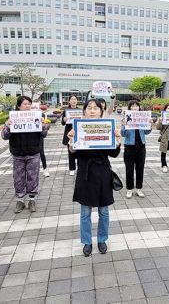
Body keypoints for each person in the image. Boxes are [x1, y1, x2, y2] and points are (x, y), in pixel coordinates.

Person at [67, 99, 122, 256]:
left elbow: (114, 154)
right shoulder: (78, 128)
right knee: (85, 212)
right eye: (89, 108)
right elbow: (73, 153)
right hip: (85, 174)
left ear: (101, 111)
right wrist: (71, 142)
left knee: (104, 211)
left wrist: (118, 140)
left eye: (95, 108)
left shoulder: (106, 127)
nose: (92, 111)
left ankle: (102, 239)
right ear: (84, 111)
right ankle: (87, 242)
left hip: (103, 173)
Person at [2, 96, 49, 213]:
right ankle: (20, 200)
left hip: (33, 153)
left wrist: (43, 126)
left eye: (29, 104)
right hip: (18, 154)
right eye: (25, 104)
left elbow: (43, 134)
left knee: (33, 177)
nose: (27, 106)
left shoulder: (37, 117)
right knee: (18, 178)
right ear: (19, 106)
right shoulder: (12, 118)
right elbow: (4, 136)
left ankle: (32, 200)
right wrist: (8, 125)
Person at [121, 100, 151, 199]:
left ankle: (139, 188)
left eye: (136, 106)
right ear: (129, 108)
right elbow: (123, 134)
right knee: (129, 169)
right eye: (132, 106)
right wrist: (124, 125)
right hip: (129, 147)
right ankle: (129, 189)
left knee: (140, 168)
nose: (135, 108)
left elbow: (146, 132)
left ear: (139, 107)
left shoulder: (142, 117)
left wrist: (149, 124)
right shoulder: (126, 118)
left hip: (141, 146)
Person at [61, 95, 79, 176]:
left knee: (79, 150)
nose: (74, 100)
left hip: (78, 132)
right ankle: (72, 169)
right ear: (69, 101)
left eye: (75, 99)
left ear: (77, 101)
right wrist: (64, 120)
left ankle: (80, 166)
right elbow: (62, 122)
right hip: (69, 133)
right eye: (72, 99)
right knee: (70, 151)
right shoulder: (66, 110)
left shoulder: (80, 110)